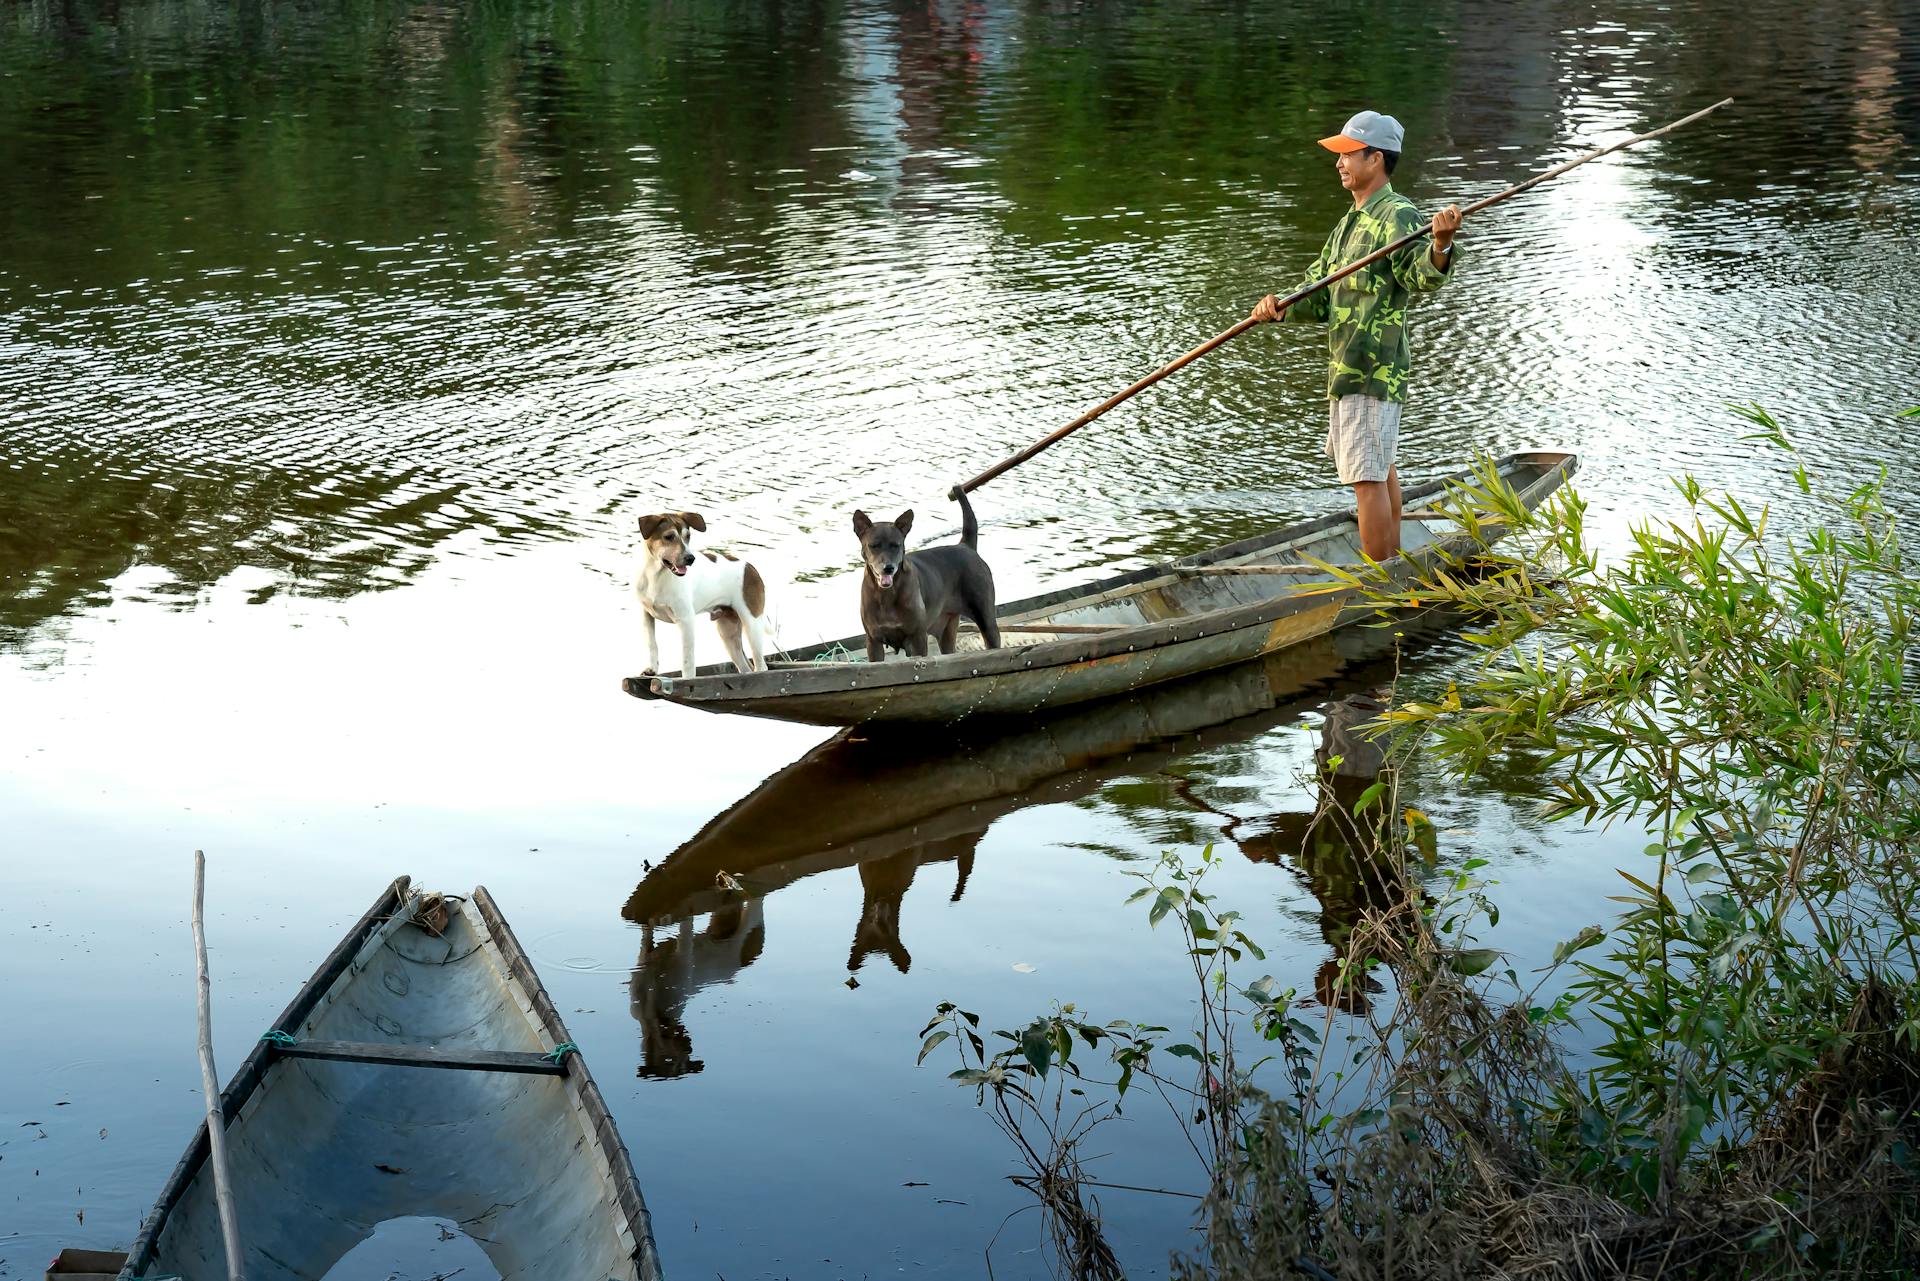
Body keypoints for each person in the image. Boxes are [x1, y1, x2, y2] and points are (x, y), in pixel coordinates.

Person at [1252, 111, 1464, 562]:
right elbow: (1319, 292)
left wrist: (1441, 246)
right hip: (1346, 364)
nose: (1339, 163)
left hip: (1372, 364)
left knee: (1365, 476)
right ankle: (1395, 566)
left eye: (1348, 154)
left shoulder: (1398, 214)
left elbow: (1419, 277)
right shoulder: (1349, 223)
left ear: (1376, 158)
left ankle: (1381, 581)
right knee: (1379, 466)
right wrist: (1279, 306)